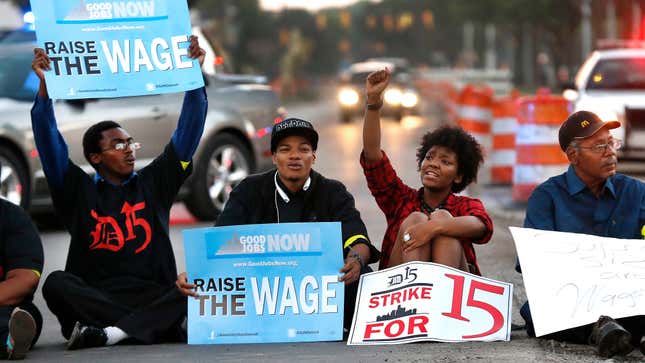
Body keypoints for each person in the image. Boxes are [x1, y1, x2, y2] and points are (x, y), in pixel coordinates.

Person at [30, 36, 208, 350]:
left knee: (189, 288)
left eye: (129, 142)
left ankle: (111, 333)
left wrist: (194, 78)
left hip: (150, 292)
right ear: (95, 158)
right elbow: (48, 143)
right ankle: (150, 326)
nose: (128, 150)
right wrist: (45, 90)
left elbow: (188, 133)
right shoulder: (76, 189)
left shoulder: (155, 181)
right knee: (56, 284)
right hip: (97, 296)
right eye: (117, 145)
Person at [177, 117, 381, 330]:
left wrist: (355, 260)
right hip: (260, 290)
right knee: (188, 292)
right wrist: (197, 273)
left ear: (313, 157)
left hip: (317, 292)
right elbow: (219, 242)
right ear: (274, 157)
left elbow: (358, 238)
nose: (295, 156)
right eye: (285, 150)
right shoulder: (248, 190)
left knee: (364, 278)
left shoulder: (333, 192)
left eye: (303, 150)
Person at [518, 110, 645, 358]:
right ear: (573, 155)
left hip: (626, 294)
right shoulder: (547, 197)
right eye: (599, 146)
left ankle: (621, 331)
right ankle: (600, 329)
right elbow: (533, 262)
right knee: (538, 312)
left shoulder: (635, 192)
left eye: (611, 143)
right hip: (572, 297)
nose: (610, 152)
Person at [360, 68, 493, 274]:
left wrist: (433, 228)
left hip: (449, 292)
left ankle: (440, 299)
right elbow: (372, 155)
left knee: (442, 219)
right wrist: (373, 103)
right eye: (429, 157)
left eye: (445, 161)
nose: (433, 164)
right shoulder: (400, 199)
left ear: (458, 175)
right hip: (399, 292)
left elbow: (481, 225)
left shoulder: (465, 205)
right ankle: (414, 302)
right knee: (415, 218)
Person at [0, 183, 44, 360]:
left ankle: (10, 342)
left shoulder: (13, 217)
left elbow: (25, 280)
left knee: (22, 317)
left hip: (5, 305)